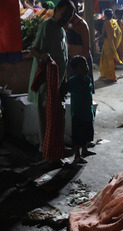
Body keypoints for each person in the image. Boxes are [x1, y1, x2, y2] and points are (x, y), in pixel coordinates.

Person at [28, 0, 75, 159]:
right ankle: (47, 151)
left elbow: (64, 57)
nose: (66, 19)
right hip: (46, 82)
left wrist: (64, 81)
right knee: (46, 118)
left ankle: (56, 147)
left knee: (58, 115)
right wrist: (43, 56)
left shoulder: (61, 31)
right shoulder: (46, 26)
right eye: (64, 14)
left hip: (58, 81)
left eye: (69, 17)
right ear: (56, 10)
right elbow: (33, 49)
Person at [66, 56, 95, 164]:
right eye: (82, 67)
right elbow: (65, 89)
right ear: (75, 70)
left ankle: (85, 150)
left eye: (86, 65)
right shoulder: (73, 81)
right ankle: (77, 156)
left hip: (87, 111)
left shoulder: (87, 79)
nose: (86, 68)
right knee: (78, 135)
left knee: (87, 133)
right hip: (78, 113)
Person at [65, 11, 94, 92]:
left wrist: (82, 66)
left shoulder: (82, 24)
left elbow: (87, 47)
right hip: (73, 61)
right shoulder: (69, 24)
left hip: (81, 63)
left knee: (83, 88)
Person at [97, 8, 122, 82]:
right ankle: (108, 74)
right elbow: (119, 33)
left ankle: (111, 76)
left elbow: (104, 35)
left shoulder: (106, 23)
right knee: (110, 60)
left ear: (105, 15)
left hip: (108, 44)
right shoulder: (114, 21)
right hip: (113, 43)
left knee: (107, 60)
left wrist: (96, 39)